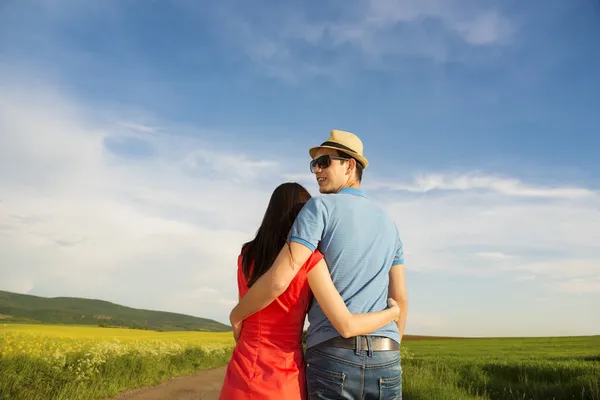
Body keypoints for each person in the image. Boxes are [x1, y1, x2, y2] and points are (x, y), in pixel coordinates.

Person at [229, 130, 408, 399]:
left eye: (324, 162)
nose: (316, 171)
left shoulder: (320, 208)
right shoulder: (390, 225)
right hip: (387, 355)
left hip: (333, 352)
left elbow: (280, 277)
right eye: (315, 164)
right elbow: (400, 298)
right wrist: (390, 344)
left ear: (350, 165)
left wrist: (236, 315)